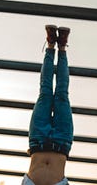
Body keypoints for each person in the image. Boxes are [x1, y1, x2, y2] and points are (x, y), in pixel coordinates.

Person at [22, 25, 74, 185]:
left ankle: (51, 44)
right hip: (62, 140)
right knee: (62, 94)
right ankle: (62, 47)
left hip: (38, 138)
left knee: (45, 92)